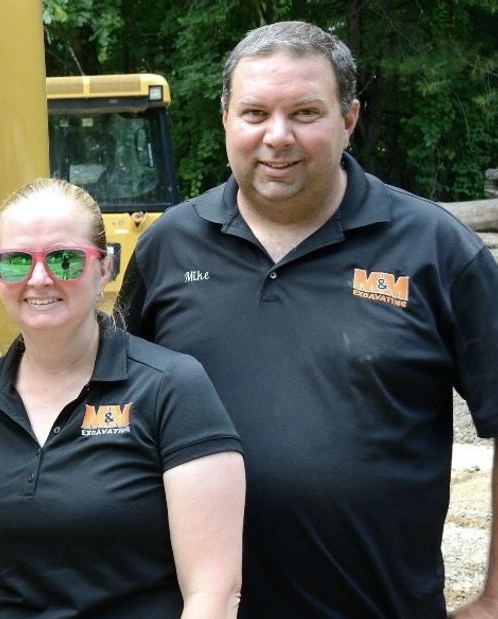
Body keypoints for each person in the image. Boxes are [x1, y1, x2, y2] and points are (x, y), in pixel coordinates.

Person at [116, 20, 498, 618]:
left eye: (304, 112)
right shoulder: (168, 247)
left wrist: (494, 600)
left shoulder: (437, 250)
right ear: (224, 119)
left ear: (348, 120)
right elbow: (112, 422)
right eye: (254, 113)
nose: (278, 136)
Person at [0, 178, 246, 618]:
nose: (39, 278)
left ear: (105, 268)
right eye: (15, 262)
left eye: (65, 260)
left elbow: (213, 591)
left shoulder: (171, 387)